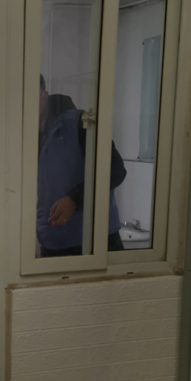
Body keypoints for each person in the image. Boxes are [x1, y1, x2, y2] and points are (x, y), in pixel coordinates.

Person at [37, 74, 126, 256]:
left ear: (42, 96)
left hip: (95, 243)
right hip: (52, 243)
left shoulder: (80, 123)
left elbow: (116, 170)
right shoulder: (28, 135)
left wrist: (73, 200)